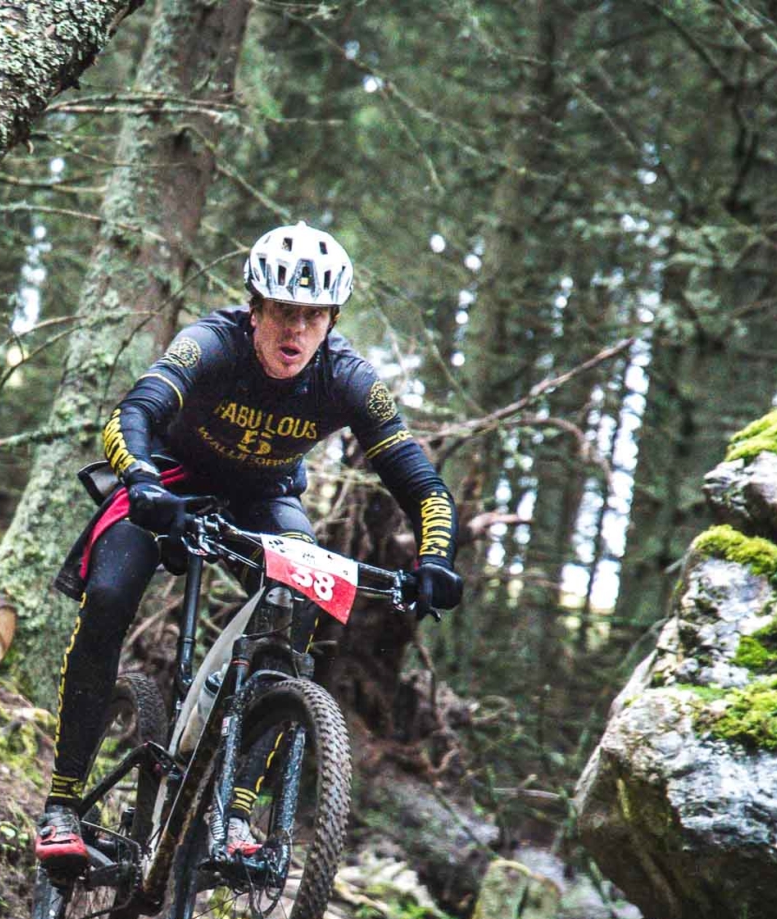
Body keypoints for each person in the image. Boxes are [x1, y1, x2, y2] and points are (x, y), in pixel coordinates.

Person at [34, 221, 462, 876]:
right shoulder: (211, 341)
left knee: (302, 604)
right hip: (170, 480)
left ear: (332, 321)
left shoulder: (349, 378)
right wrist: (141, 479)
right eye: (284, 312)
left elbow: (423, 485)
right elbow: (133, 413)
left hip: (264, 497)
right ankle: (63, 804)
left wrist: (435, 558)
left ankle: (233, 814)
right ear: (255, 309)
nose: (296, 331)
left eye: (313, 317)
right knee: (110, 599)